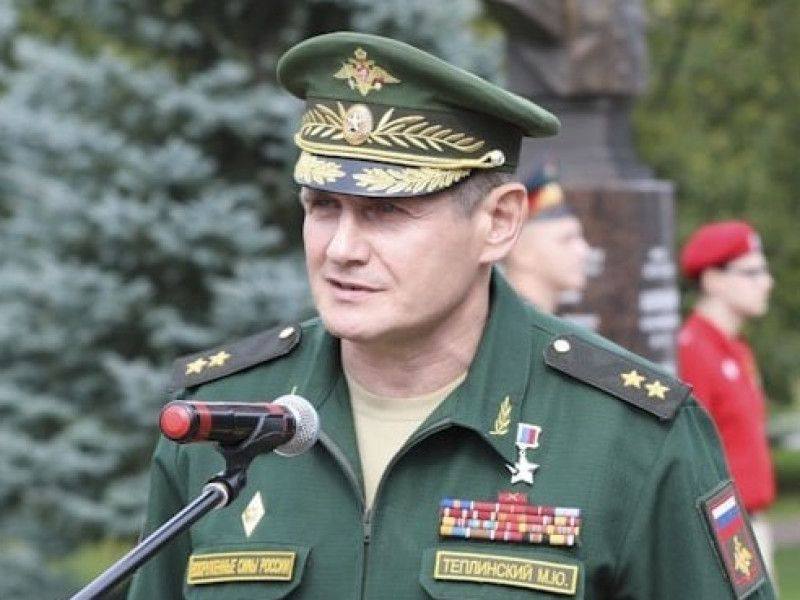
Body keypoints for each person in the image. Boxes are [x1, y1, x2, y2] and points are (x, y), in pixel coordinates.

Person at [128, 32, 774, 599]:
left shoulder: (626, 436)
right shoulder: (225, 419)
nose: (342, 248)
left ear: (499, 222)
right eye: (323, 206)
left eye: (387, 211)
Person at [678, 220, 777, 582]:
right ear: (713, 280)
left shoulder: (736, 349)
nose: (767, 282)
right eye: (752, 272)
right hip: (724, 525)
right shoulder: (692, 350)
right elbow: (690, 455)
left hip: (749, 521)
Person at [503, 162, 589, 313]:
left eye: (579, 238)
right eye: (566, 239)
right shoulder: (510, 323)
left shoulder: (519, 317)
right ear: (521, 253)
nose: (584, 251)